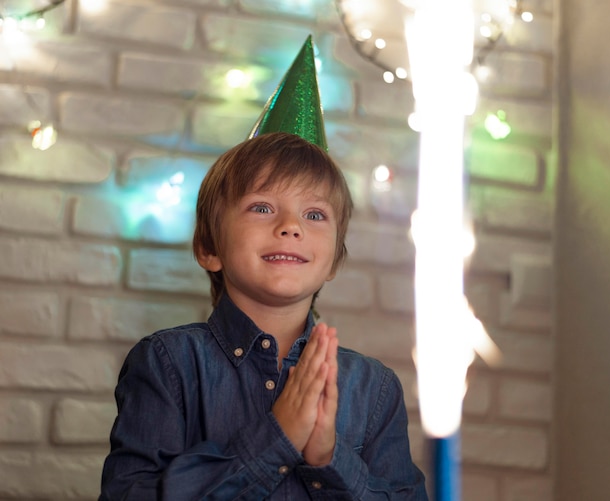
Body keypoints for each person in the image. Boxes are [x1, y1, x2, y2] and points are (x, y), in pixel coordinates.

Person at [99, 131, 428, 500]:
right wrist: (278, 438)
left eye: (315, 214)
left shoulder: (375, 388)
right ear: (209, 247)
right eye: (262, 207)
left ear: (334, 259)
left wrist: (328, 459)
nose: (291, 225)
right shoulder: (167, 363)